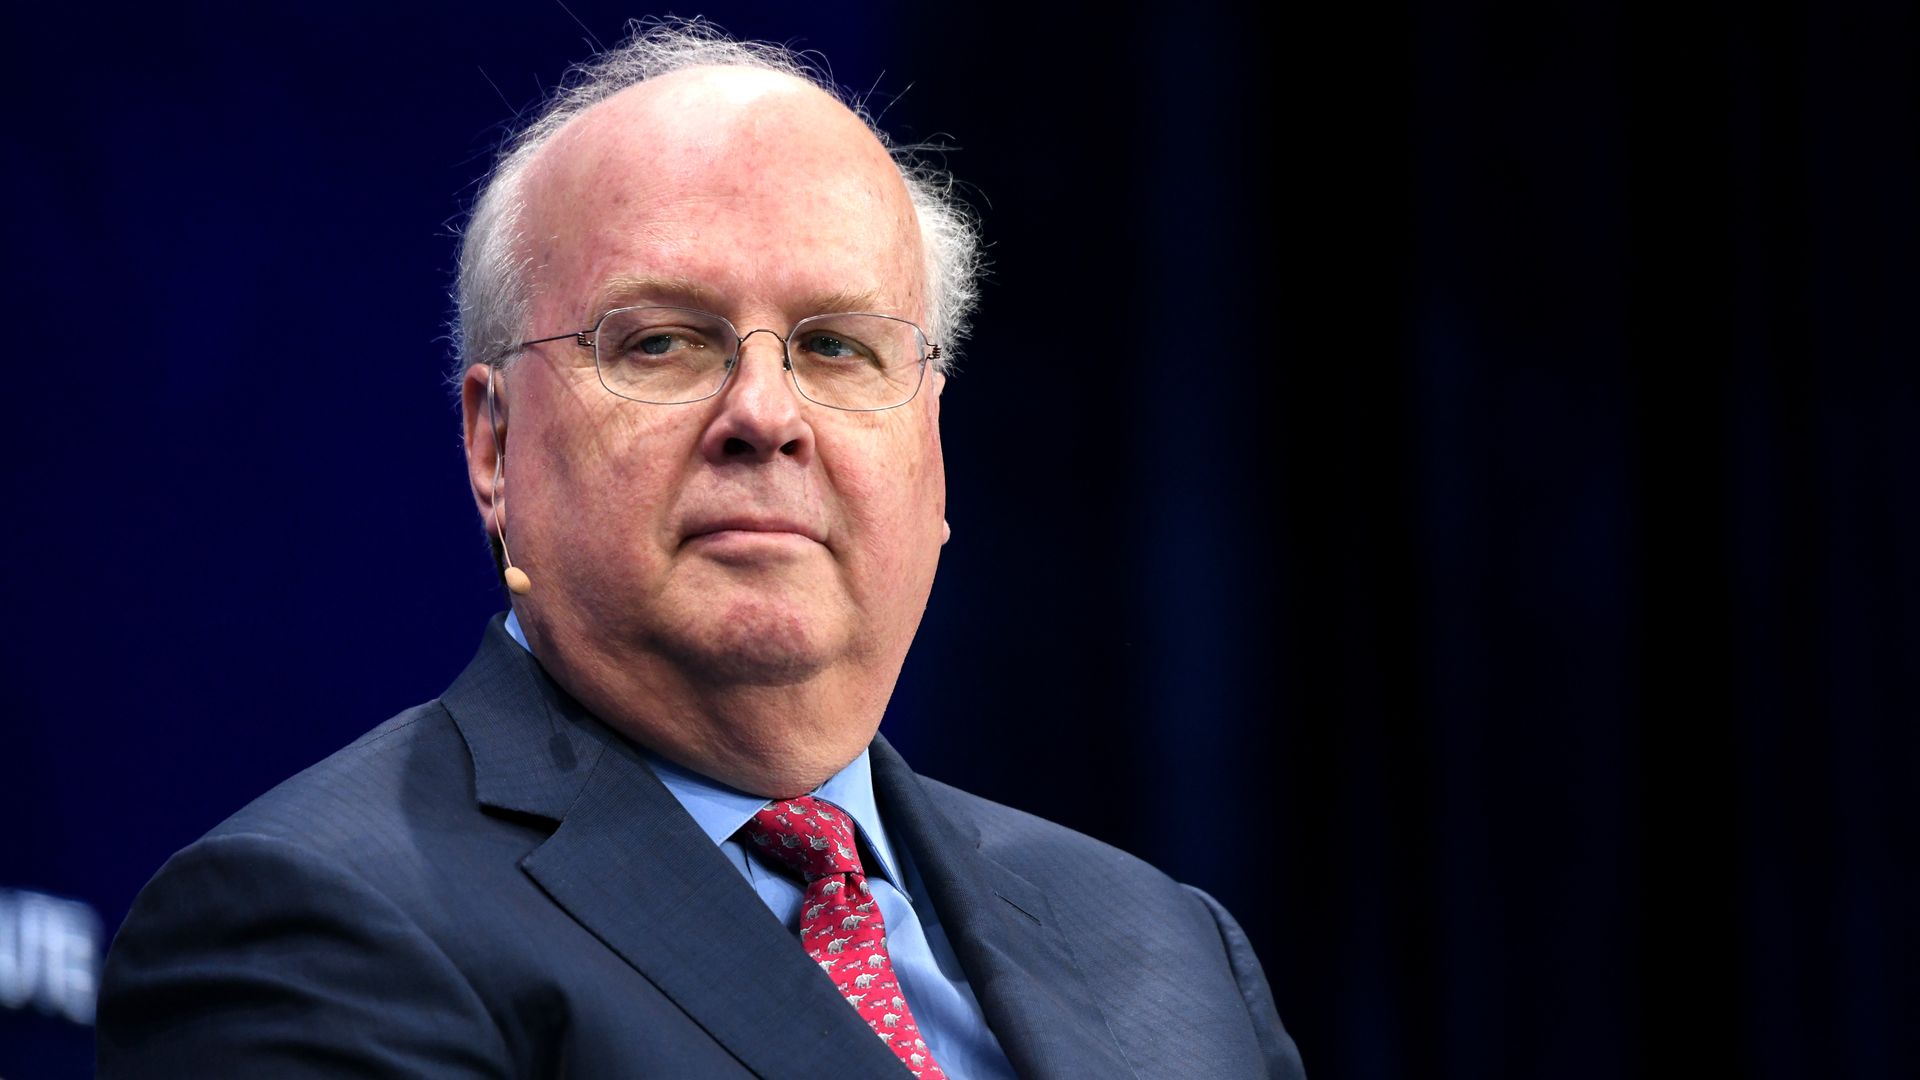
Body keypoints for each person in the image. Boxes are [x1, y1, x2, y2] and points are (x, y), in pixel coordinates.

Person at [96, 20, 1305, 1079]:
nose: (767, 415)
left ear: (933, 453)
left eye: (837, 347)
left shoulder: (1170, 948)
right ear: (494, 447)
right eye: (666, 343)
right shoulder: (312, 928)